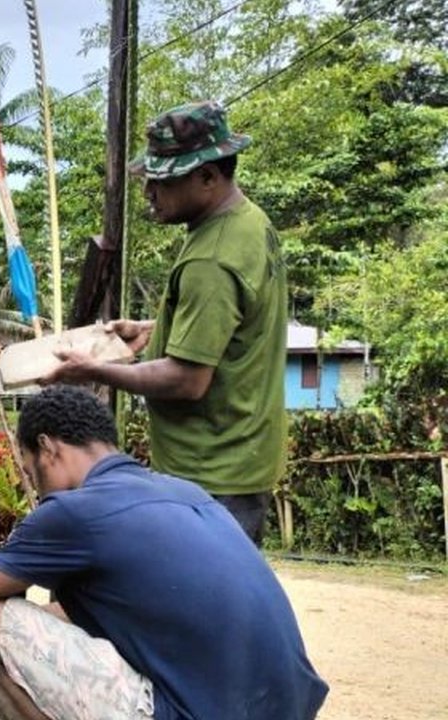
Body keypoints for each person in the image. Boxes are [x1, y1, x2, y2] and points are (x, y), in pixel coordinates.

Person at [0, 385, 327, 720]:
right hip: (282, 708)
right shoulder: (184, 492)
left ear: (49, 449)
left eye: (31, 473)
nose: (36, 491)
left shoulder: (74, 512)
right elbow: (95, 613)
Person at [43, 100, 288, 545]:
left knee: (199, 605)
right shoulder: (247, 224)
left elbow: (188, 379)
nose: (149, 193)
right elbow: (233, 323)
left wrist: (93, 369)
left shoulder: (212, 258)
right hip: (242, 456)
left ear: (208, 177)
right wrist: (153, 330)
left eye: (163, 180)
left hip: (212, 471)